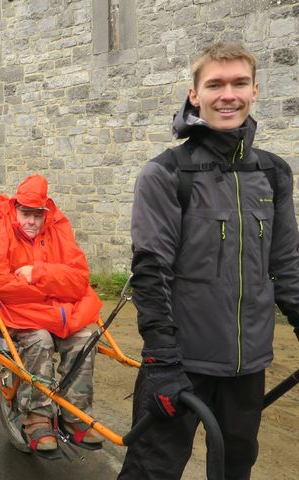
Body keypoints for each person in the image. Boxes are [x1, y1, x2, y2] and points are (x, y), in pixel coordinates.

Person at [118, 42, 299, 480]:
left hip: (247, 368)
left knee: (236, 469)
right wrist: (161, 360)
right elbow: (150, 272)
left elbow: (287, 264)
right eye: (215, 84)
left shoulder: (274, 174)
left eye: (239, 83)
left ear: (255, 90)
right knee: (150, 471)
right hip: (180, 365)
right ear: (194, 95)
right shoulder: (166, 173)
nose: (228, 94)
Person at [0, 174, 105, 453]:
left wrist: (40, 274)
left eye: (37, 215)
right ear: (15, 208)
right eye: (26, 213)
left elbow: (79, 279)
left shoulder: (57, 228)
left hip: (55, 311)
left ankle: (76, 416)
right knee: (39, 341)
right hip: (17, 313)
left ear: (46, 213)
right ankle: (37, 419)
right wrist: (54, 291)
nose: (31, 222)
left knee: (86, 337)